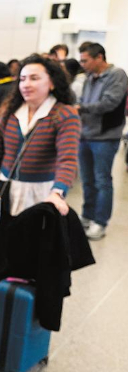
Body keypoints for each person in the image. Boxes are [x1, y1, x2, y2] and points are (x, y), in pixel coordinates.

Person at [0, 54, 80, 331]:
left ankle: (27, 317)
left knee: (34, 259)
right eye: (22, 79)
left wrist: (59, 191)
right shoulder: (10, 113)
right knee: (1, 254)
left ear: (52, 82)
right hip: (6, 193)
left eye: (34, 78)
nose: (26, 84)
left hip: (41, 196)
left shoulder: (64, 115)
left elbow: (68, 159)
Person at [76, 42, 128, 240]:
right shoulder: (89, 77)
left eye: (85, 60)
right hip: (85, 135)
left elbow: (110, 103)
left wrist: (81, 109)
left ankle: (100, 222)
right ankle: (87, 216)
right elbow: (85, 101)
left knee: (102, 180)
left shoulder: (117, 75)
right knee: (87, 181)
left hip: (105, 137)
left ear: (99, 58)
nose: (82, 64)